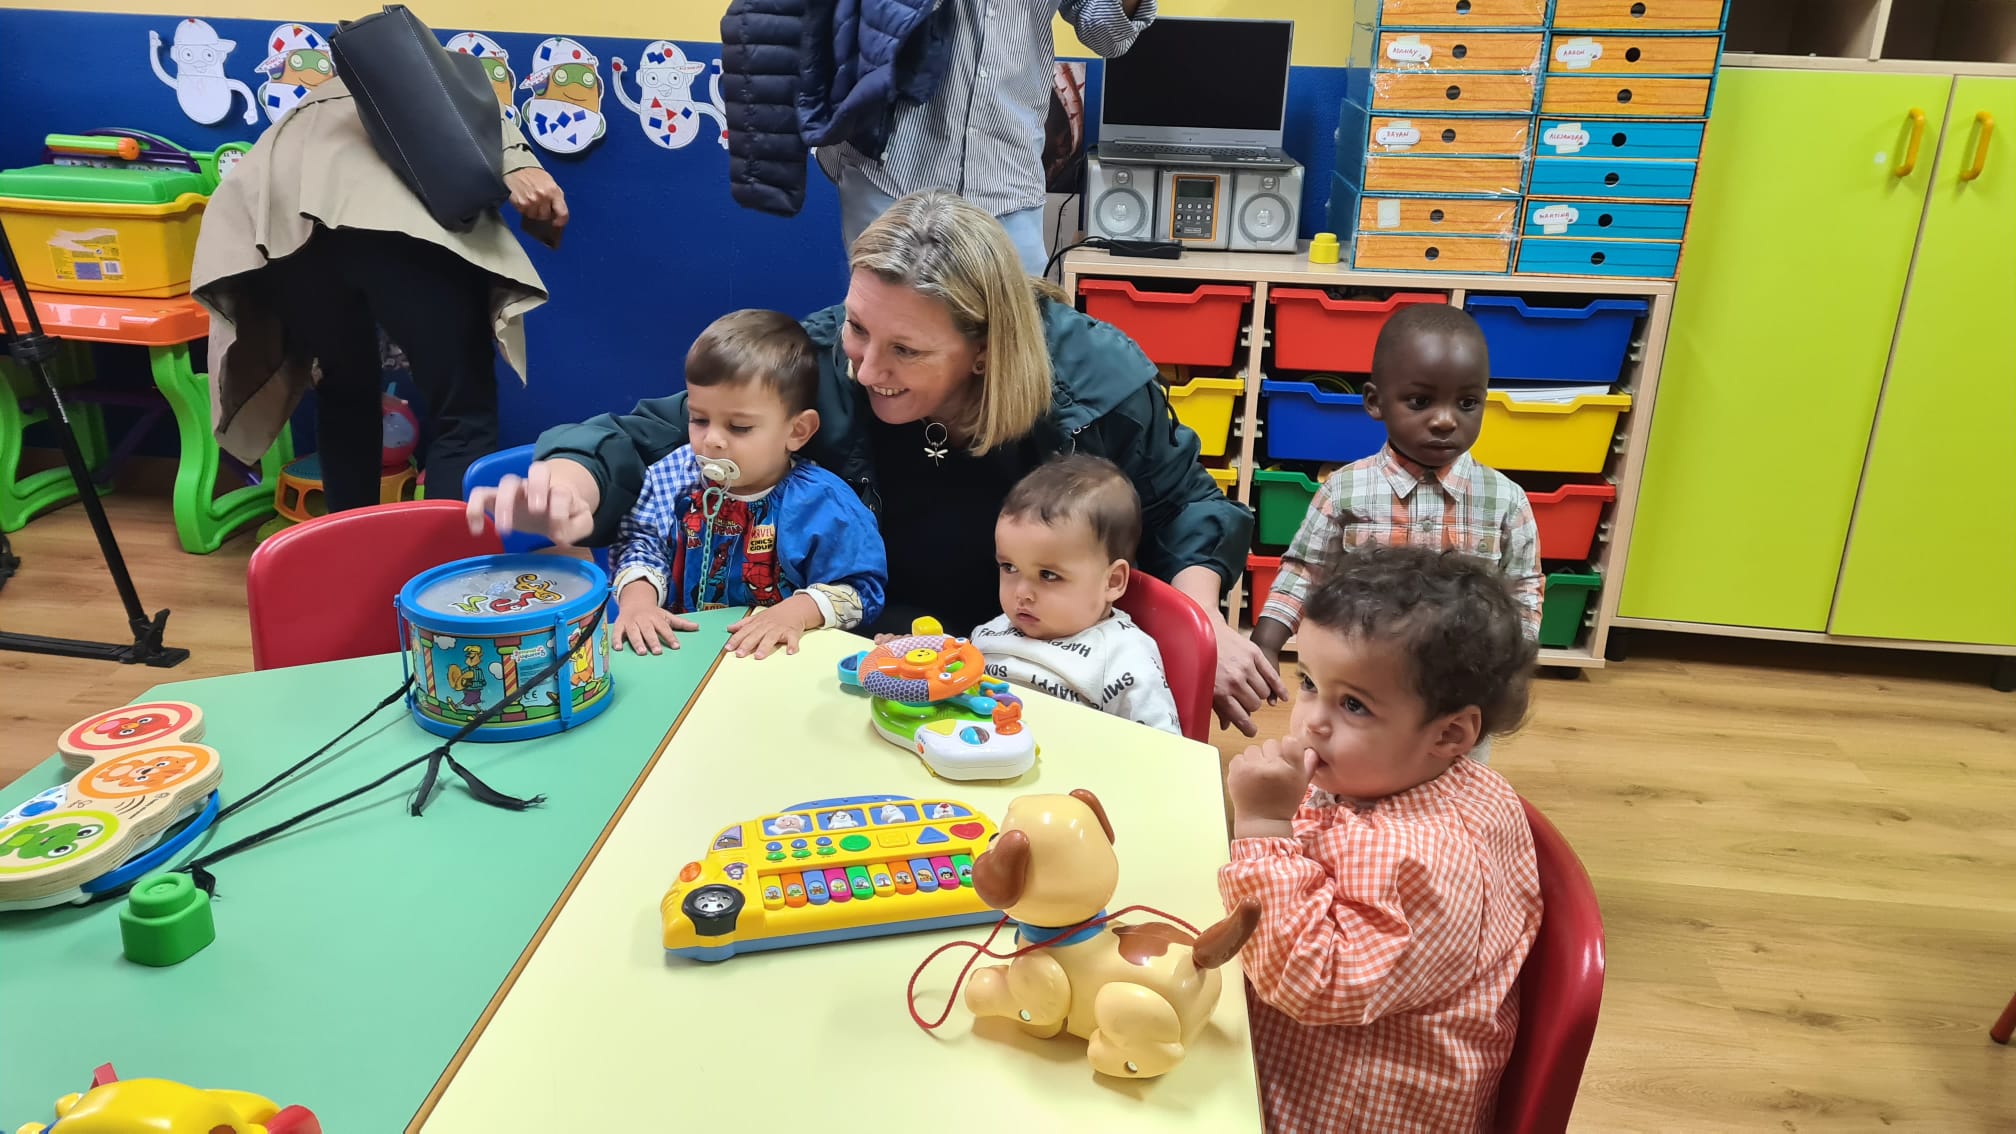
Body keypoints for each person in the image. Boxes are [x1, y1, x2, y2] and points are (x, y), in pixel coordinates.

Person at [466, 190, 1287, 734]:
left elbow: (1188, 507)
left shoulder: (1093, 382)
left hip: (1025, 676)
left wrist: (1203, 614)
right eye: (859, 327)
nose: (863, 366)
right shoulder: (820, 356)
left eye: (905, 350)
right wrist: (573, 480)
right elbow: (656, 434)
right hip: (850, 668)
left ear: (983, 350)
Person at [1218, 546, 1542, 1133]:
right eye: (1309, 682)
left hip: (1338, 1105)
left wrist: (1263, 828)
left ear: (1450, 733)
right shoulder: (1394, 772)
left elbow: (1310, 984)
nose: (1312, 720)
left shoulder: (1414, 856)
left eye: (1354, 705)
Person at [192, 73, 569, 512]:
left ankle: (352, 559)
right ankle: (442, 574)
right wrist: (519, 161)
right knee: (462, 414)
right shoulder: (444, 78)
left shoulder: (321, 100)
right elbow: (489, 137)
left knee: (344, 394)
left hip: (288, 227)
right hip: (393, 230)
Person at [1251, 303, 1544, 667]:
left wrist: (1518, 654)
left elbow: (1523, 588)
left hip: (1464, 673)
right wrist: (1267, 640)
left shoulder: (1506, 500)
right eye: (1420, 402)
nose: (1444, 420)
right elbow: (1305, 570)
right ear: (1375, 402)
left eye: (1467, 403)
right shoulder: (1344, 490)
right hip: (1361, 665)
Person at [610, 310, 888, 660]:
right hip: (679, 653)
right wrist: (638, 604)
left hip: (774, 662)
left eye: (739, 427)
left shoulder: (824, 503)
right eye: (698, 419)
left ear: (797, 431)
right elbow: (641, 542)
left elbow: (860, 589)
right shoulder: (674, 476)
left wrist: (796, 613)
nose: (712, 441)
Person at [823, 0, 1154, 275]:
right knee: (885, 336)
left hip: (1007, 173)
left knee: (1012, 343)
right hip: (896, 161)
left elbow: (1106, 31)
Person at [970, 455, 1180, 734]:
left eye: (1048, 575)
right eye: (1009, 567)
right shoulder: (994, 631)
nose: (1022, 593)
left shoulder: (1124, 656)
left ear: (1113, 582)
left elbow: (1164, 750)